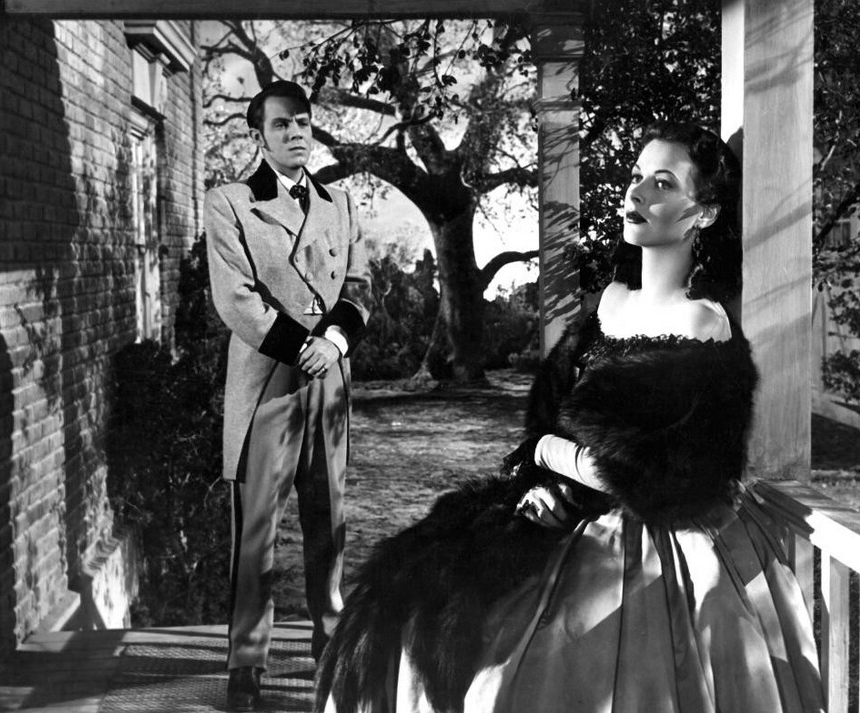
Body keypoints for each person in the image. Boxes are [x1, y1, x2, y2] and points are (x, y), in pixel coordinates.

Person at [315, 121, 824, 713]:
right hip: (562, 501)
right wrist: (542, 478)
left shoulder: (701, 323)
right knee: (407, 598)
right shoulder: (609, 302)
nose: (636, 193)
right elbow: (552, 415)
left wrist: (552, 458)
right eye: (636, 176)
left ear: (703, 214)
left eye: (663, 184)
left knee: (524, 675)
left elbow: (675, 474)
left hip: (643, 535)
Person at [204, 80, 371, 713]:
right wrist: (306, 345)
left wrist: (334, 342)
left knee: (330, 520)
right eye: (281, 125)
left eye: (302, 122)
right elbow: (235, 299)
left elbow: (359, 286)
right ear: (259, 135)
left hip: (329, 380)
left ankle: (331, 649)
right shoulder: (231, 202)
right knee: (257, 530)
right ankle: (246, 666)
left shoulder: (340, 204)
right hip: (268, 381)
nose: (296, 133)